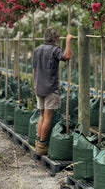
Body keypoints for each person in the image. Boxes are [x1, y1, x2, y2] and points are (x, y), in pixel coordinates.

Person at [32, 27, 73, 156]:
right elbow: (66, 56)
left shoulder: (37, 50)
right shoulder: (55, 50)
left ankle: (38, 142)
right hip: (50, 88)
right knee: (48, 117)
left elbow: (34, 69)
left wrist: (36, 83)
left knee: (42, 115)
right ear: (54, 38)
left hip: (39, 87)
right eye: (58, 37)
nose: (58, 39)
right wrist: (68, 42)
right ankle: (42, 145)